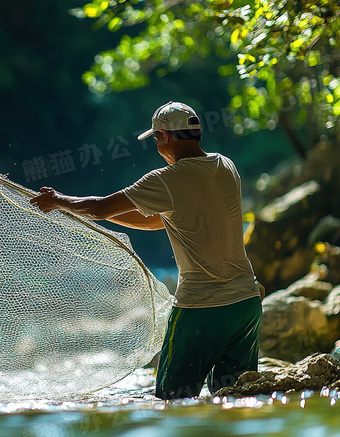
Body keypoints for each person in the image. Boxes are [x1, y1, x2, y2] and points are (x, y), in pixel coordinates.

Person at [29, 101, 262, 399]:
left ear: (165, 137)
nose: (156, 146)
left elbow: (101, 208)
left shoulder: (166, 179)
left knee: (174, 400)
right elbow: (155, 222)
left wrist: (60, 201)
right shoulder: (225, 166)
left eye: (155, 138)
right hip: (246, 305)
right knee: (236, 400)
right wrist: (76, 210)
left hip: (202, 309)